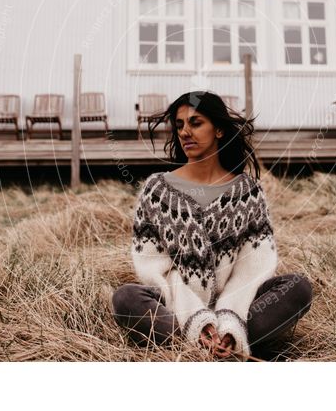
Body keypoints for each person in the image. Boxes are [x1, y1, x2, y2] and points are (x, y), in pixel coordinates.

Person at [112, 90, 312, 360]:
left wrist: (229, 322)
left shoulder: (247, 192)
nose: (185, 132)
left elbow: (253, 267)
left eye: (196, 123)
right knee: (126, 299)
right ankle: (204, 344)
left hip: (241, 309)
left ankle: (229, 340)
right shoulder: (156, 190)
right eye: (180, 124)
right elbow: (155, 266)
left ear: (218, 130)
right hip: (176, 308)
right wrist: (197, 320)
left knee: (297, 287)